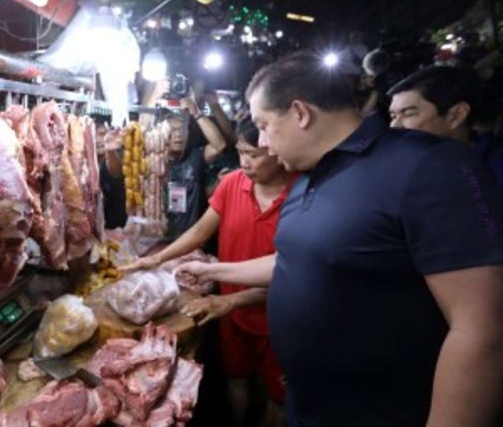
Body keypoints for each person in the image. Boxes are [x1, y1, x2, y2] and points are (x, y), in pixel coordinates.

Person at [177, 50, 503, 427]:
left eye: (264, 125)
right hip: (309, 406)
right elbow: (299, 259)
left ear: (300, 113)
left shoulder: (428, 166)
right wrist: (215, 270)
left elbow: (484, 329)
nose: (262, 143)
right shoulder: (307, 179)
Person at [123, 117, 295, 427]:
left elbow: (292, 269)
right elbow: (202, 231)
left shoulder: (300, 194)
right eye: (241, 152)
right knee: (236, 378)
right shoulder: (232, 183)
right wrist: (157, 258)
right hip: (228, 309)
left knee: (276, 396)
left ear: (276, 149)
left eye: (254, 154)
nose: (245, 162)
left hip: (280, 314)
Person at [388, 65, 503, 185]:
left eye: (409, 114)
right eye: (393, 116)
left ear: (456, 115)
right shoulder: (404, 166)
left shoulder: (496, 170)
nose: (394, 126)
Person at [164, 89, 227, 240]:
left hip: (191, 239)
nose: (178, 135)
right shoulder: (154, 162)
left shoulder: (194, 158)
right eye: (172, 131)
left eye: (181, 130)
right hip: (159, 237)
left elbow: (219, 145)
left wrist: (197, 113)